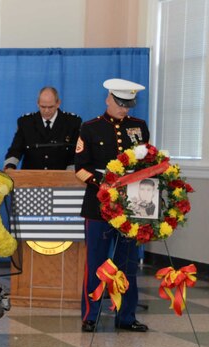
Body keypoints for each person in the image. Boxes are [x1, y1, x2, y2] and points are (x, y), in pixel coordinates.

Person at [75, 78, 151, 333]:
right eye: (120, 104)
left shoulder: (139, 127)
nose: (124, 109)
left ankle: (126, 316)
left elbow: (146, 163)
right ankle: (91, 316)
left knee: (127, 263)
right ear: (108, 99)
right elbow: (81, 169)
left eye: (128, 105)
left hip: (130, 206)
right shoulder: (90, 127)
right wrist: (104, 185)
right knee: (97, 262)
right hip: (98, 206)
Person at [4, 87, 82, 170]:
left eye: (50, 107)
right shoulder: (25, 122)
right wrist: (10, 167)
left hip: (61, 178)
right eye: (43, 107)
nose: (46, 111)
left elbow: (76, 153)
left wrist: (69, 176)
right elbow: (15, 150)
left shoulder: (72, 123)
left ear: (58, 103)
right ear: (37, 103)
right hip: (31, 178)